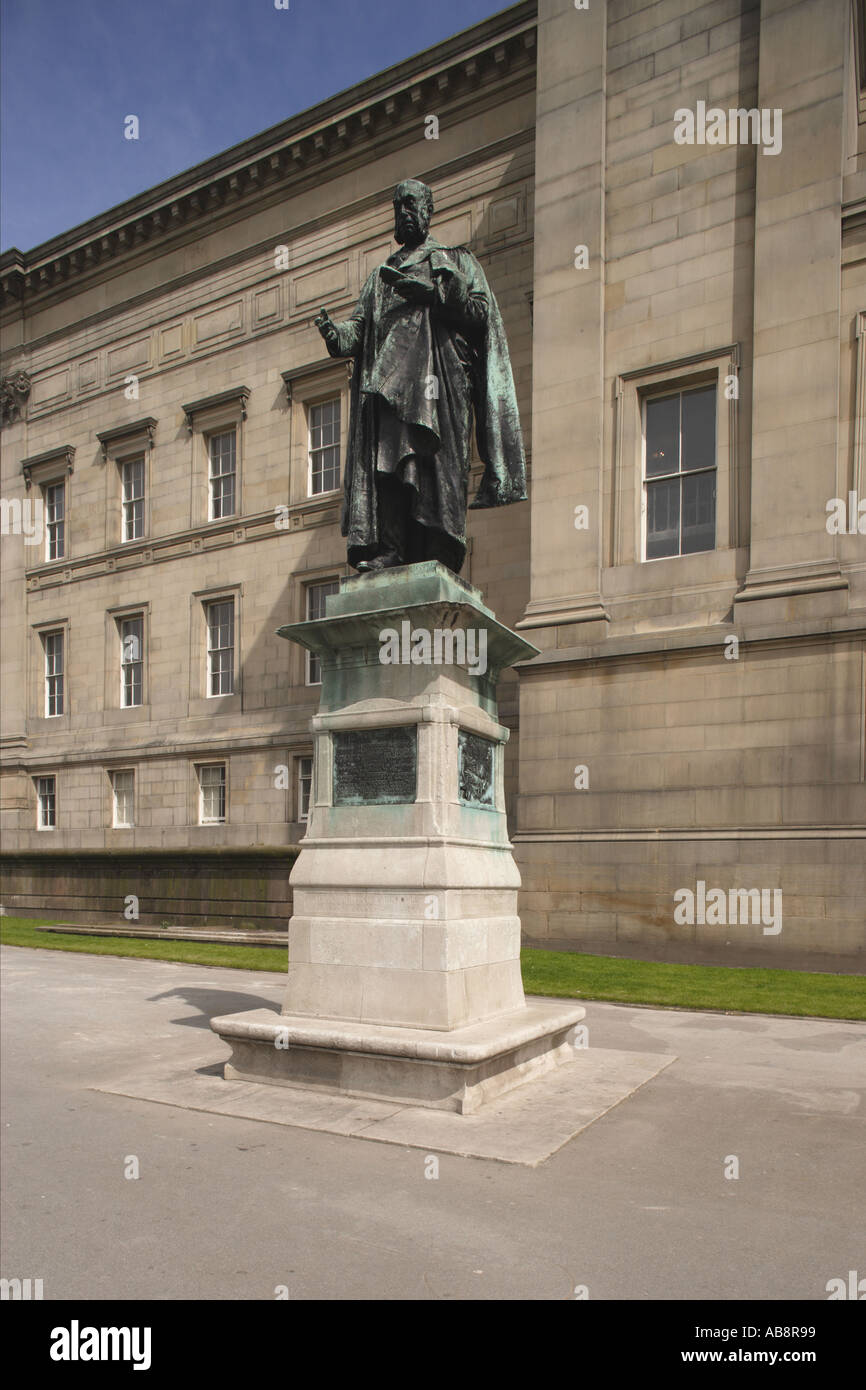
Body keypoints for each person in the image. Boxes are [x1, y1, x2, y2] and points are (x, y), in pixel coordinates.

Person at [314, 178, 526, 575]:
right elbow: (358, 331)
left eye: (412, 205)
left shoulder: (455, 261)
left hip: (441, 389)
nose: (405, 214)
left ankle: (438, 553)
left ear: (429, 211)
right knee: (389, 468)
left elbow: (481, 314)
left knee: (436, 471)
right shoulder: (380, 278)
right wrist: (335, 335)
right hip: (390, 393)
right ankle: (391, 549)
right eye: (399, 207)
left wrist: (434, 295)